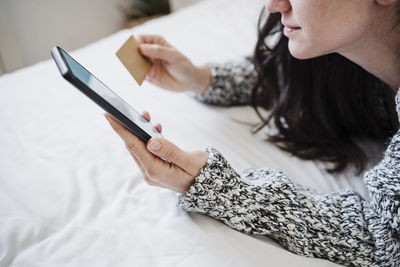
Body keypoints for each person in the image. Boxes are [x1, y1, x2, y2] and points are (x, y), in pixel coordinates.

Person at [104, 0, 400, 266]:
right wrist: (202, 78)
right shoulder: (349, 49)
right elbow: (299, 79)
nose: (274, 5)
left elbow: (385, 240)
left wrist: (218, 187)